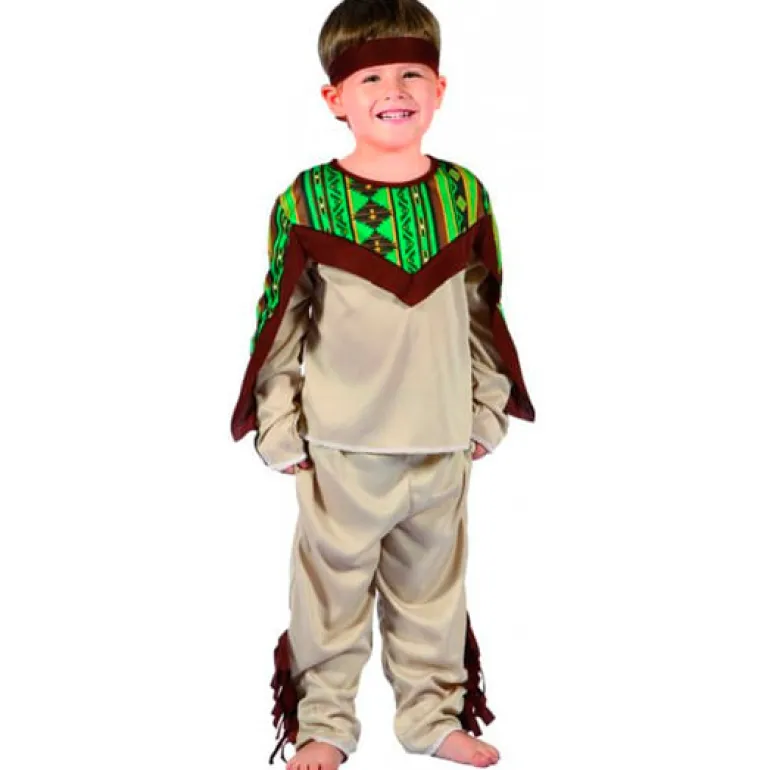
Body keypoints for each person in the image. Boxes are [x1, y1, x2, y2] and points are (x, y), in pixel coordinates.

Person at [230, 1, 535, 767]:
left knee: (433, 592)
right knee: (329, 595)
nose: (393, 91)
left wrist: (486, 409)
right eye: (370, 78)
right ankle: (324, 723)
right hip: (341, 442)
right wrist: (279, 422)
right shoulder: (307, 201)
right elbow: (280, 318)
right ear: (334, 97)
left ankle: (431, 717)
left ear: (439, 89)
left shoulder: (463, 196)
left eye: (411, 74)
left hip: (441, 437)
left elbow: (484, 312)